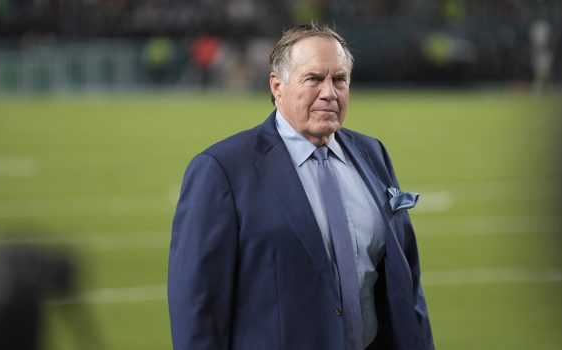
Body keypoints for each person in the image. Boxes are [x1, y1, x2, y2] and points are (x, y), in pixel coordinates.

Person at [168, 23, 434, 350]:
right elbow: (198, 306)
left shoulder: (372, 153)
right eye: (313, 79)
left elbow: (405, 282)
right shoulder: (222, 169)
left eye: (339, 79)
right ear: (277, 86)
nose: (329, 92)